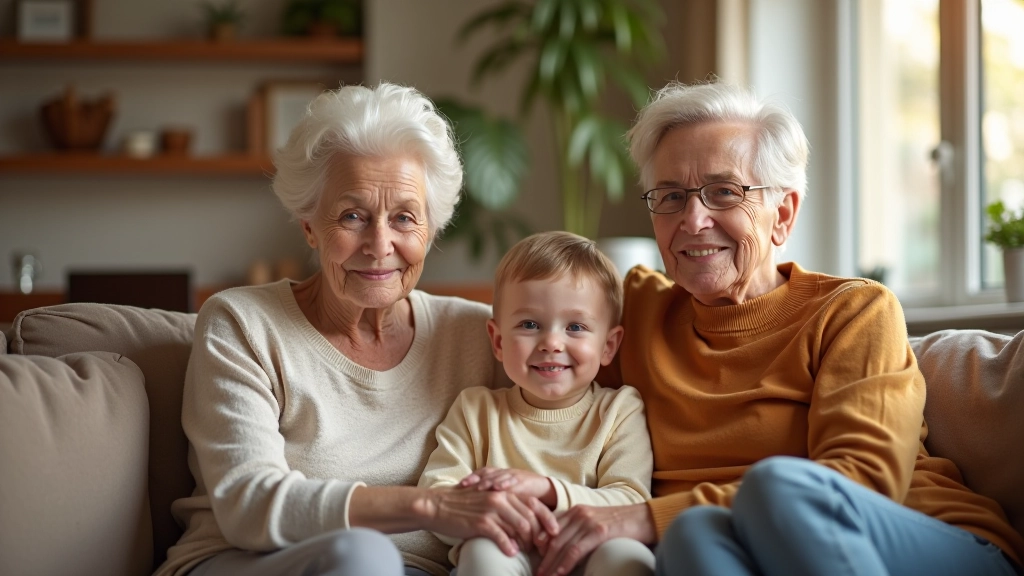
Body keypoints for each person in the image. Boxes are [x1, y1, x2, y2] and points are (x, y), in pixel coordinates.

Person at [530, 81, 1024, 576]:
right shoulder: (629, 313)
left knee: (775, 488)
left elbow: (865, 479)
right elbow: (525, 329)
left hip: (924, 542)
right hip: (741, 549)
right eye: (671, 196)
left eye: (724, 192)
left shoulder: (853, 311)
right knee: (691, 534)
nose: (693, 219)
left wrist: (646, 517)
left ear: (782, 214)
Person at [154, 83, 558, 576]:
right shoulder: (243, 324)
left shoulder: (479, 335)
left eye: (405, 218)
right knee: (362, 555)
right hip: (251, 562)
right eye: (352, 216)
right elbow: (248, 504)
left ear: (430, 229)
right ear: (309, 226)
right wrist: (430, 506)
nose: (379, 244)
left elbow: (572, 436)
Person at [418, 231, 656, 576]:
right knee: (482, 554)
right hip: (506, 545)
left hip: (592, 546)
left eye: (575, 327)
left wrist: (548, 491)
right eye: (530, 324)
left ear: (608, 346)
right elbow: (437, 495)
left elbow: (632, 501)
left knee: (627, 557)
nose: (551, 343)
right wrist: (487, 511)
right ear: (498, 342)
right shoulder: (476, 410)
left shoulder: (619, 410)